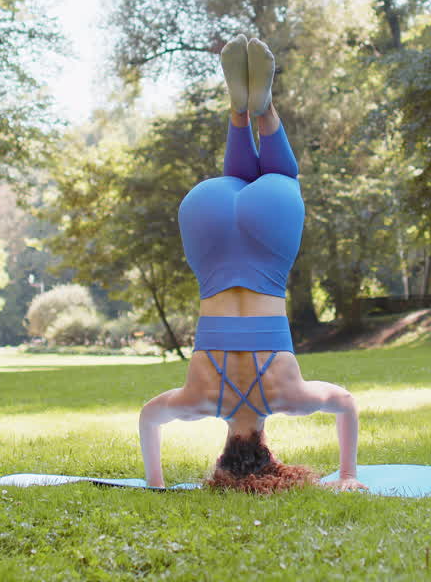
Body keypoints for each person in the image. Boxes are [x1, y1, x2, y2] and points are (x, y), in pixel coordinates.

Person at [137, 35, 365, 493]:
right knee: (234, 181)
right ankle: (239, 111)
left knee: (280, 179)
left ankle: (261, 111)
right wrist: (155, 482)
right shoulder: (198, 399)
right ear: (222, 456)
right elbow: (148, 419)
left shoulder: (288, 395)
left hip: (268, 241)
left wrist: (348, 475)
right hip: (207, 222)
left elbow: (346, 404)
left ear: (268, 450)